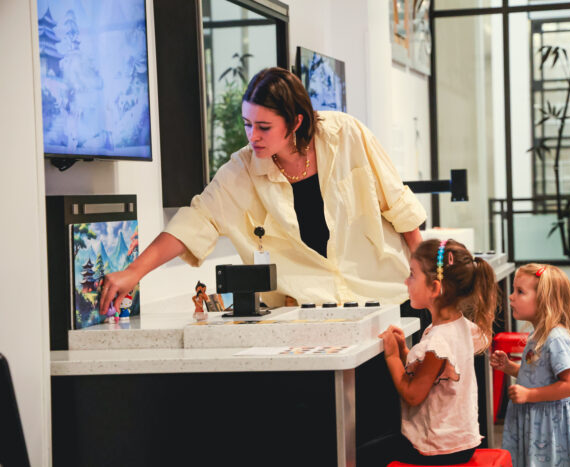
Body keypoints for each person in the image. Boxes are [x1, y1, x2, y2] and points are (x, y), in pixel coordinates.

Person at [99, 67, 425, 315]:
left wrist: (431, 274)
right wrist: (133, 272)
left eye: (264, 127)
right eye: (247, 124)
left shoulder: (346, 135)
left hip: (385, 299)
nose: (253, 136)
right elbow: (196, 220)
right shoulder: (241, 170)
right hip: (312, 315)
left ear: (296, 122)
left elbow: (398, 204)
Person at [359, 238, 498, 466]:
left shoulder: (438, 341)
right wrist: (405, 351)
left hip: (439, 449)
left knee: (361, 454)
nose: (406, 281)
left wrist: (392, 357)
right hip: (460, 443)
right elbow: (432, 375)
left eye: (412, 274)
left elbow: (413, 395)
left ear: (434, 288)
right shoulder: (460, 327)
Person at [490, 264, 570, 467]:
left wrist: (529, 395)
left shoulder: (556, 338)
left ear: (545, 301)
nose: (511, 297)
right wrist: (510, 367)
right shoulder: (538, 335)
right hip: (539, 419)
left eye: (520, 292)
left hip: (550, 424)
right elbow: (539, 375)